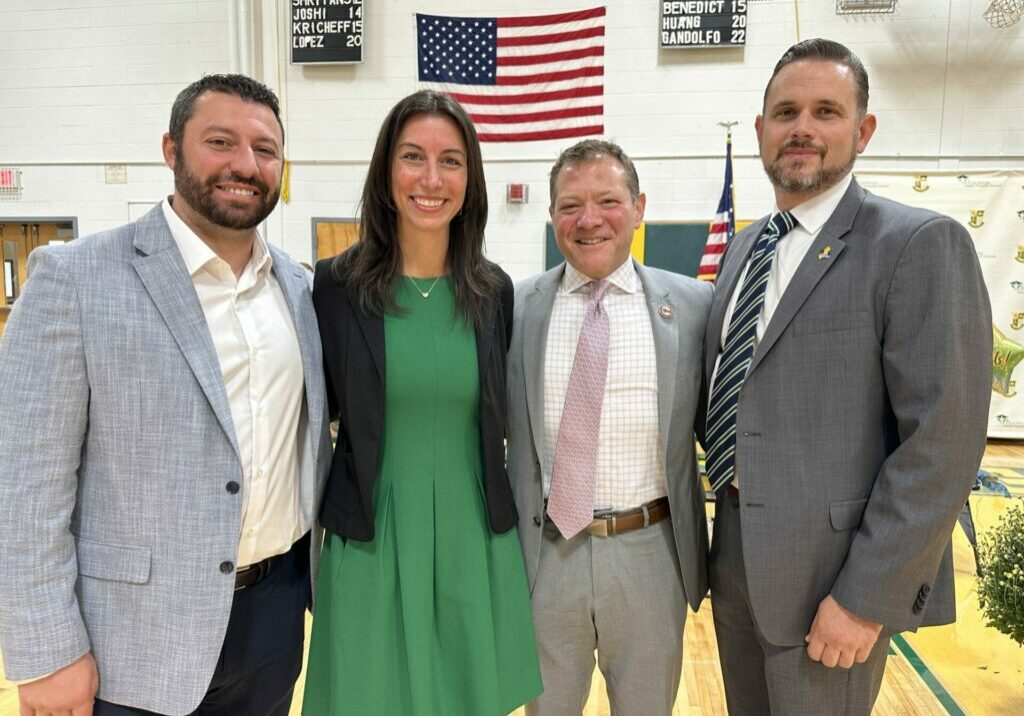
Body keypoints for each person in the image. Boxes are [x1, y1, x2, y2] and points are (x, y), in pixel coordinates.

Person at [0, 74, 331, 715]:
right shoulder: (76, 277)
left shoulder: (297, 287)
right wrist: (45, 650)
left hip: (274, 620)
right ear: (171, 150)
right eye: (220, 141)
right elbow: (22, 484)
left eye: (265, 150)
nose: (245, 164)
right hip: (127, 641)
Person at [700, 38, 992, 714]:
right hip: (737, 554)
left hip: (832, 579)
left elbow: (942, 444)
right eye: (786, 112)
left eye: (826, 111)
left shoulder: (916, 245)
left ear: (862, 131)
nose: (802, 128)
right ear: (761, 131)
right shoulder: (746, 248)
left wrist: (866, 597)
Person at [302, 90, 542, 716]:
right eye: (413, 157)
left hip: (471, 534)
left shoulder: (493, 292)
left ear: (472, 177)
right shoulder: (335, 286)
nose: (431, 179)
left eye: (451, 160)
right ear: (386, 173)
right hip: (372, 535)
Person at [507, 139, 713, 715]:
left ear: (639, 206)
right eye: (571, 205)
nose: (589, 220)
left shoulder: (695, 306)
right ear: (552, 216)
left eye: (607, 200)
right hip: (547, 556)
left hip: (650, 554)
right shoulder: (513, 309)